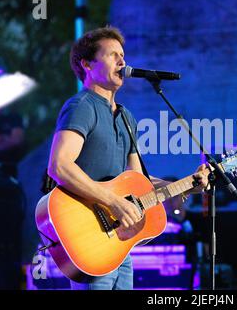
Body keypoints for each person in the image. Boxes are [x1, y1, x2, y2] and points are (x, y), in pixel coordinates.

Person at [47, 26, 209, 290]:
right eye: (112, 55)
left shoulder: (126, 117)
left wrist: (189, 183)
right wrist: (113, 201)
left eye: (122, 55)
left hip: (119, 245)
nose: (122, 62)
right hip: (90, 238)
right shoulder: (82, 107)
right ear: (87, 64)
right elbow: (59, 166)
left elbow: (139, 182)